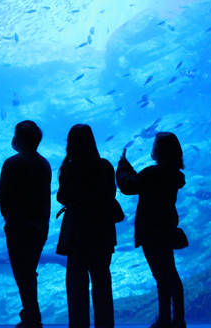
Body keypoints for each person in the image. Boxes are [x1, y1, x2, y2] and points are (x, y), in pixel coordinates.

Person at [116, 132, 186, 328]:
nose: (152, 148)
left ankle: (165, 320)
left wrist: (121, 166)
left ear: (160, 151)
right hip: (166, 227)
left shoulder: (153, 173)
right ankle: (178, 320)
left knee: (161, 277)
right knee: (170, 273)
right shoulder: (172, 174)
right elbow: (140, 180)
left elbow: (128, 186)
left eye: (155, 145)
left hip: (151, 230)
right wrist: (128, 167)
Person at [56, 124, 117, 328]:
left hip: (78, 234)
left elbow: (62, 196)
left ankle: (78, 325)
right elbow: (111, 195)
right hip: (102, 232)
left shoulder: (69, 168)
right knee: (102, 282)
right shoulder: (105, 166)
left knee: (77, 286)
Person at [0, 120, 52, 328]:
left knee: (23, 273)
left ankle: (32, 318)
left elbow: (2, 196)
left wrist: (9, 218)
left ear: (19, 139)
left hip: (18, 228)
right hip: (39, 228)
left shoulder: (12, 163)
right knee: (29, 271)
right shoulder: (44, 163)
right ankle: (30, 314)